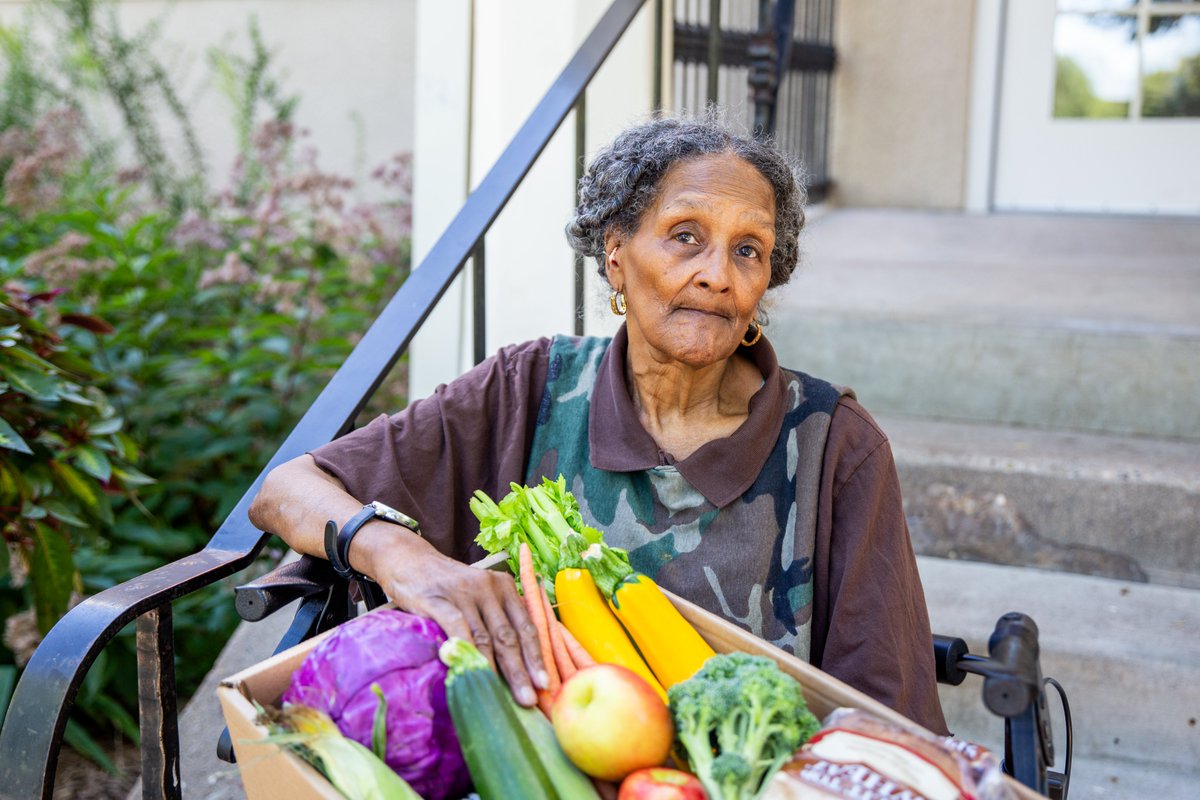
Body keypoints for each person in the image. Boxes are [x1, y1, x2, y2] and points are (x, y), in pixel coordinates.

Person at [248, 115, 948, 734]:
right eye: (685, 237)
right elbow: (287, 489)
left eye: (748, 250)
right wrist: (405, 559)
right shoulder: (530, 388)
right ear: (616, 253)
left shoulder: (833, 445)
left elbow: (885, 714)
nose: (717, 275)